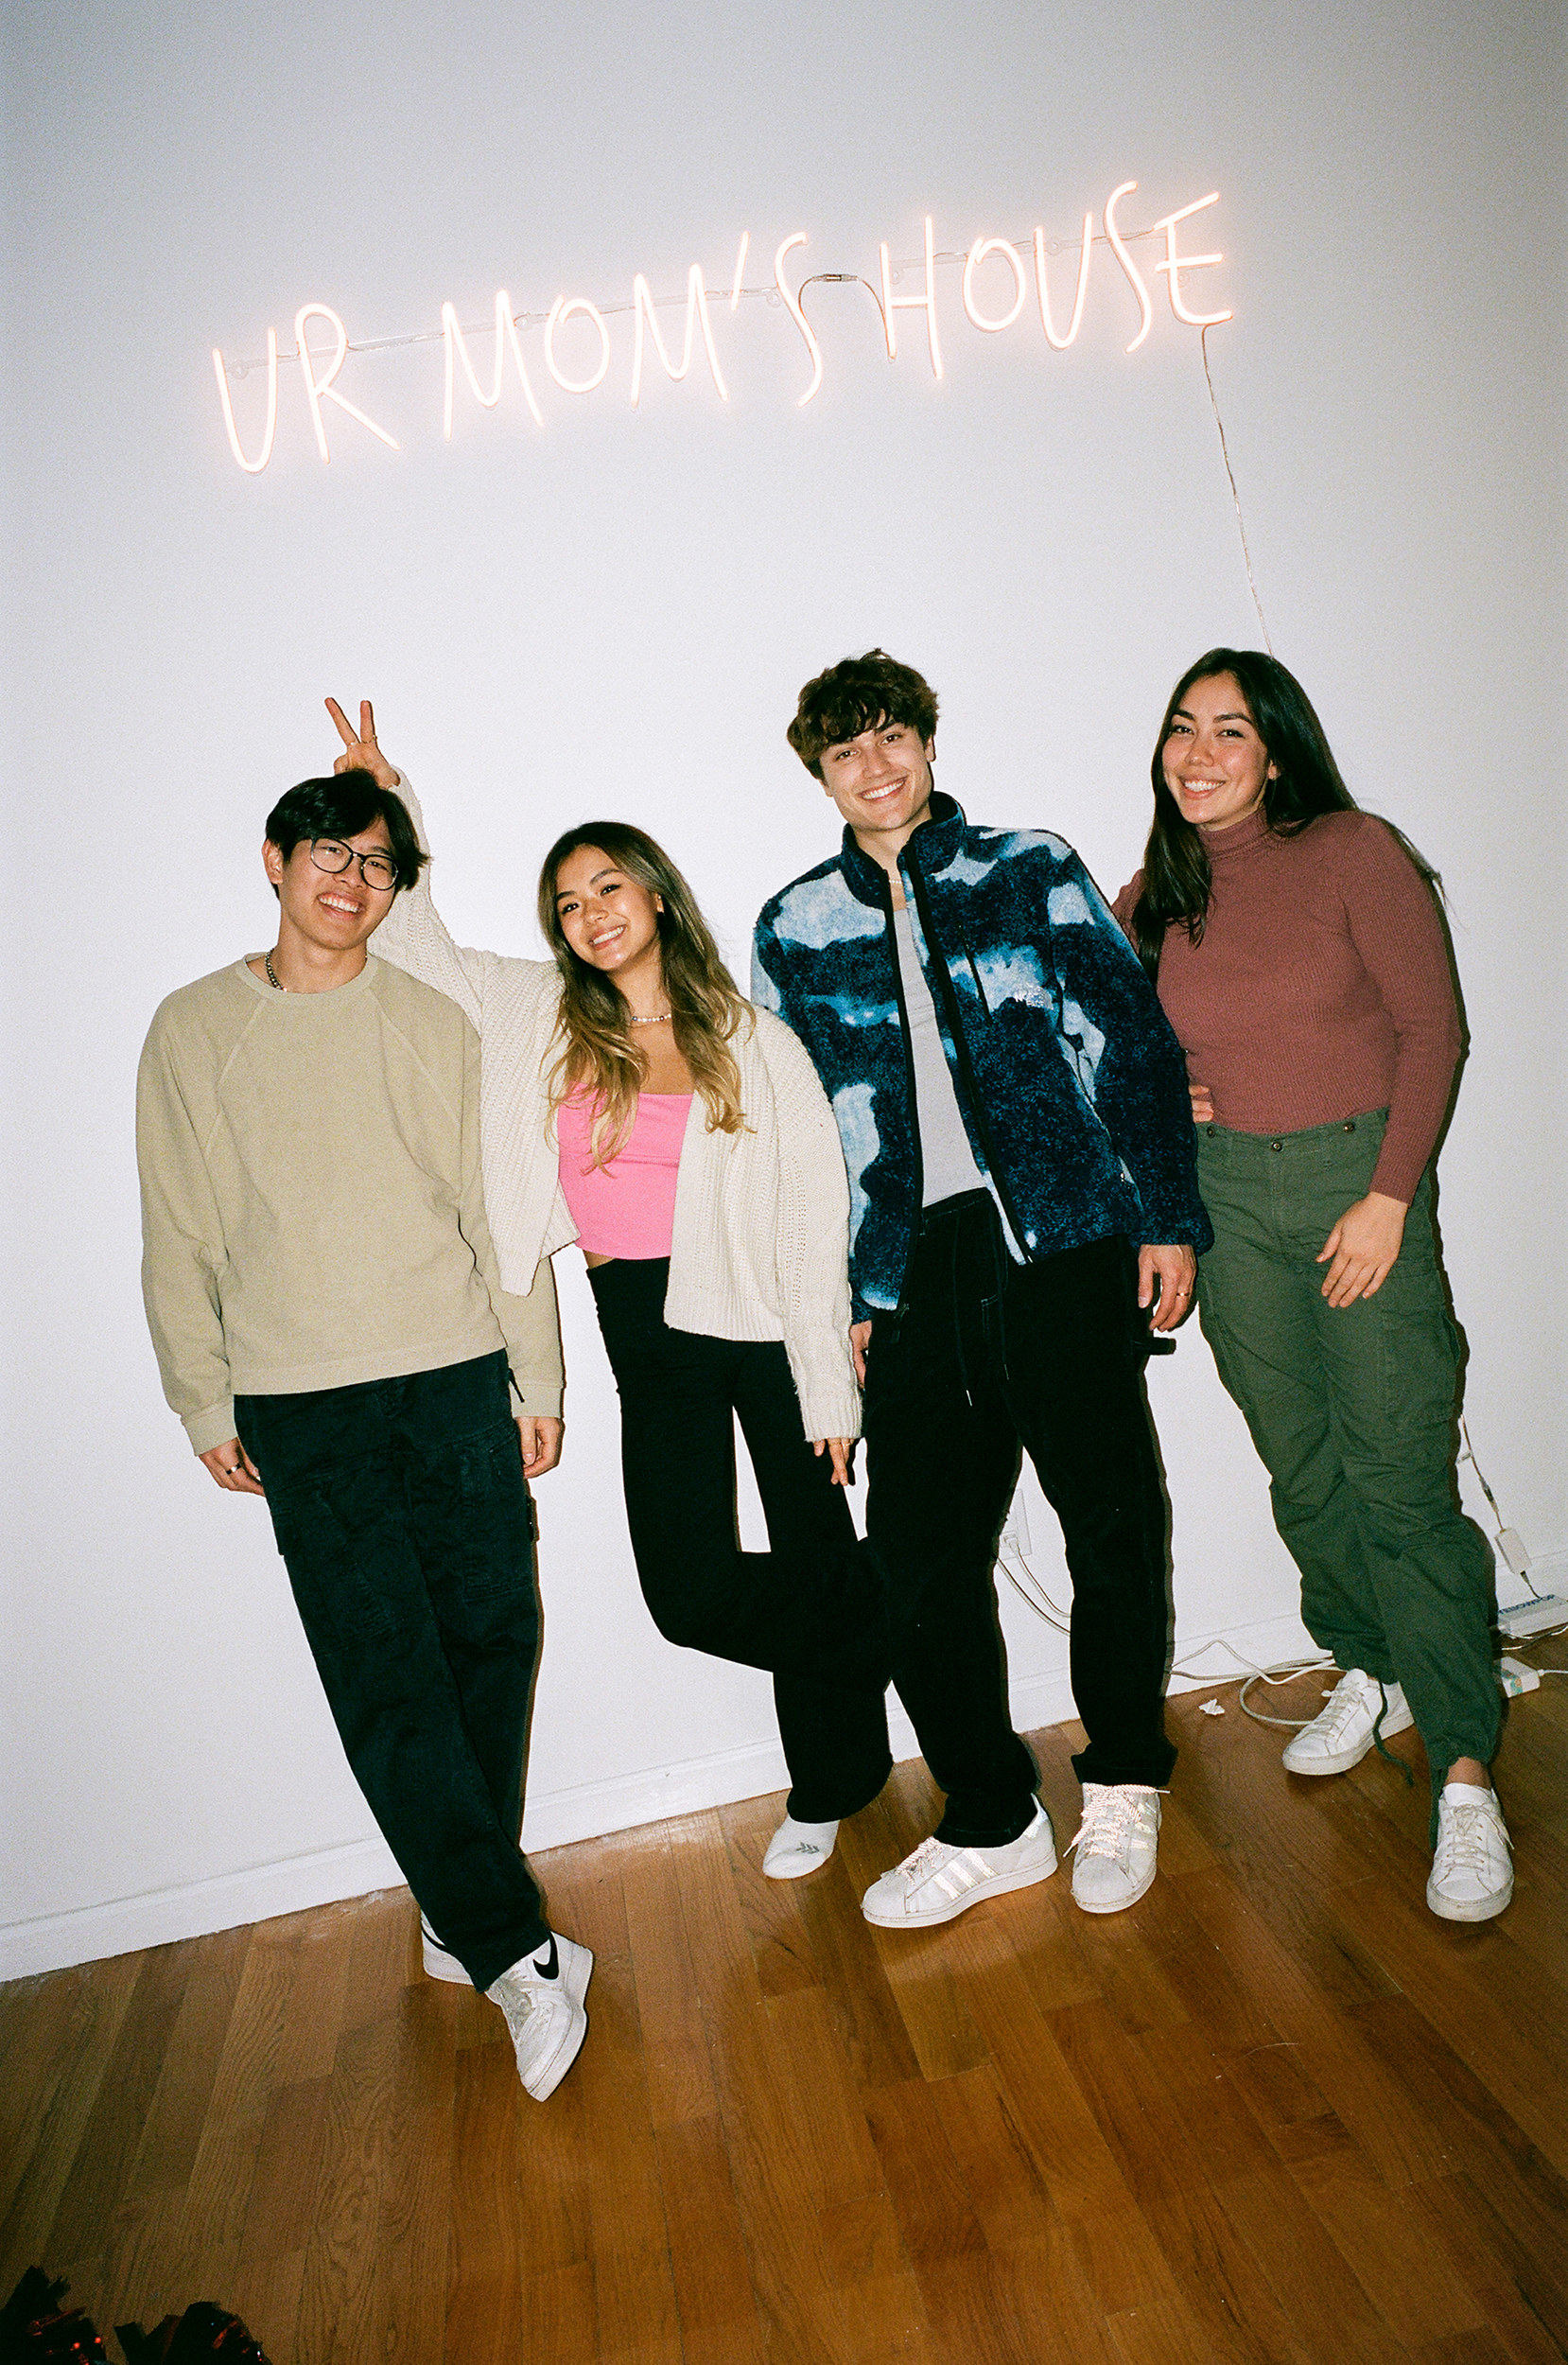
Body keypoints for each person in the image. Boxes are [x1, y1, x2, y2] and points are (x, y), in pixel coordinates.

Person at [330, 699, 894, 1881]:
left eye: (606, 890)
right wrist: (387, 806)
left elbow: (804, 1225)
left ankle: (831, 1778)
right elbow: (417, 942)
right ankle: (890, 1628)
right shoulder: (540, 1015)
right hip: (640, 1319)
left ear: (656, 896)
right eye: (568, 904)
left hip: (758, 1309)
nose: (588, 916)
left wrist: (825, 1393)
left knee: (807, 1534)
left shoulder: (750, 1034)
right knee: (689, 1589)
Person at [135, 766, 593, 2103]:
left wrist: (537, 1375)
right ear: (274, 860)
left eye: (379, 864)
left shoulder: (432, 1021)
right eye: (330, 853)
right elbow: (179, 1230)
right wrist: (202, 1396)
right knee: (385, 1673)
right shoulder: (192, 1029)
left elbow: (498, 1207)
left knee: (491, 1639)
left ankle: (462, 1916)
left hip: (453, 1375)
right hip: (303, 1402)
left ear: (400, 889)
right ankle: (513, 1950)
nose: (351, 880)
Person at [753, 649, 1213, 1923]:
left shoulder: (1025, 866)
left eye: (893, 738)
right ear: (821, 773)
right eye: (846, 752)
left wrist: (1163, 1216)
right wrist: (833, 1296)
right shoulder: (794, 927)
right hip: (908, 1278)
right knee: (917, 1562)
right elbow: (792, 1141)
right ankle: (993, 1815)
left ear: (928, 743)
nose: (876, 766)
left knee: (1110, 1525)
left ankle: (1122, 1777)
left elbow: (1128, 1039)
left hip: (1061, 1241)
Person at [1113, 647, 1510, 1922]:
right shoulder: (1153, 893)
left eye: (1229, 730)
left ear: (1274, 749)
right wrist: (1153, 1106)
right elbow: (1086, 1045)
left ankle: (1460, 1767)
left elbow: (1430, 1029)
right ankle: (1372, 1662)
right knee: (1303, 1466)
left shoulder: (1350, 849)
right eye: (1182, 728)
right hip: (1226, 1205)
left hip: (1356, 1190)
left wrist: (1390, 1196)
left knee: (1398, 1477)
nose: (1200, 752)